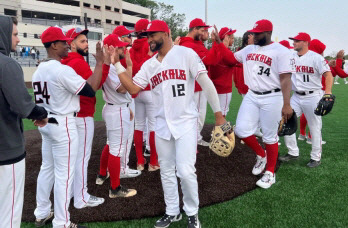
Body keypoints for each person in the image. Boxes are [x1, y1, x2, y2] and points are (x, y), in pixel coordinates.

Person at [112, 19, 227, 228]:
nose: (149, 39)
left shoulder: (186, 54)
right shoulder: (149, 64)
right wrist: (117, 64)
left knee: (185, 171)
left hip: (185, 122)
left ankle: (192, 212)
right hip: (162, 125)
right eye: (147, 36)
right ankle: (172, 211)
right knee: (166, 170)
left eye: (153, 35)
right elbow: (133, 89)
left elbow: (206, 83)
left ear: (166, 33)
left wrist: (219, 115)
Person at [33, 26, 109, 228]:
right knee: (64, 176)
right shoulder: (61, 69)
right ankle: (62, 222)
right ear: (54, 45)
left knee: (47, 168)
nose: (67, 44)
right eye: (63, 42)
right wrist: (100, 62)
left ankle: (41, 212)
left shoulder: (39, 69)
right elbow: (91, 89)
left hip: (46, 122)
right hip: (63, 123)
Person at [224, 19, 294, 188]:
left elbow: (285, 79)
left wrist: (286, 104)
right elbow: (230, 59)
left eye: (257, 33)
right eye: (253, 33)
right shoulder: (249, 49)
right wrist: (221, 44)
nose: (253, 36)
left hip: (273, 96)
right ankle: (261, 154)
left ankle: (270, 173)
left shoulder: (282, 51)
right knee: (241, 130)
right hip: (251, 94)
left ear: (268, 33)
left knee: (270, 136)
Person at [0, 15, 48, 228]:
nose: (18, 40)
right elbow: (23, 106)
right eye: (15, 34)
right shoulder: (7, 64)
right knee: (8, 213)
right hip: (6, 149)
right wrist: (41, 113)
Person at [61, 27, 110, 209]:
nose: (86, 44)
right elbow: (94, 87)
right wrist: (103, 64)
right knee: (81, 158)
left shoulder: (65, 61)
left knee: (73, 159)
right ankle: (81, 198)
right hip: (82, 116)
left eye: (85, 40)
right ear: (71, 44)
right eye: (82, 41)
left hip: (71, 115)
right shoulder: (78, 63)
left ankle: (74, 193)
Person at [279, 34, 333, 168]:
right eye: (294, 40)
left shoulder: (316, 58)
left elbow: (328, 75)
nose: (294, 43)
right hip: (296, 96)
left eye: (297, 41)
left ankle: (315, 157)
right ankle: (293, 152)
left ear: (305, 42)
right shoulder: (290, 57)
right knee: (286, 119)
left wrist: (328, 92)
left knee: (315, 127)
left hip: (313, 96)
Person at [96, 34, 138, 198]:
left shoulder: (113, 66)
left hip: (117, 107)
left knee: (111, 144)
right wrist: (129, 68)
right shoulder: (113, 67)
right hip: (117, 109)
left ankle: (101, 174)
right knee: (117, 149)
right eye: (119, 47)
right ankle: (115, 188)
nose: (123, 49)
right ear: (111, 49)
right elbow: (122, 88)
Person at [179, 18, 225, 147]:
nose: (206, 33)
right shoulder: (191, 45)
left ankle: (192, 139)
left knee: (191, 115)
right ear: (194, 30)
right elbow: (211, 60)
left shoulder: (188, 43)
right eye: (203, 30)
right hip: (196, 85)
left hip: (190, 85)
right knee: (198, 115)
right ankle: (193, 140)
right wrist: (216, 42)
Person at [210, 27, 237, 117]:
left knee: (218, 114)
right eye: (232, 38)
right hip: (224, 89)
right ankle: (219, 131)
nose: (233, 40)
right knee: (222, 115)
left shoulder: (215, 49)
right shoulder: (225, 52)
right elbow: (232, 61)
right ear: (226, 38)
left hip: (214, 88)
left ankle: (217, 130)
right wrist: (223, 45)